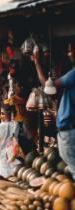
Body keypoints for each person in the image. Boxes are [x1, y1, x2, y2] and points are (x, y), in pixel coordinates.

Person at [32, 42, 75, 179]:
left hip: (70, 131)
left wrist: (37, 64)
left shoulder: (73, 74)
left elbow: (48, 87)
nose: (69, 55)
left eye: (70, 51)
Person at [0, 105, 20, 178]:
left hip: (4, 164)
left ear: (2, 113)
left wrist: (3, 151)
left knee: (7, 186)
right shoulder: (17, 125)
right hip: (17, 163)